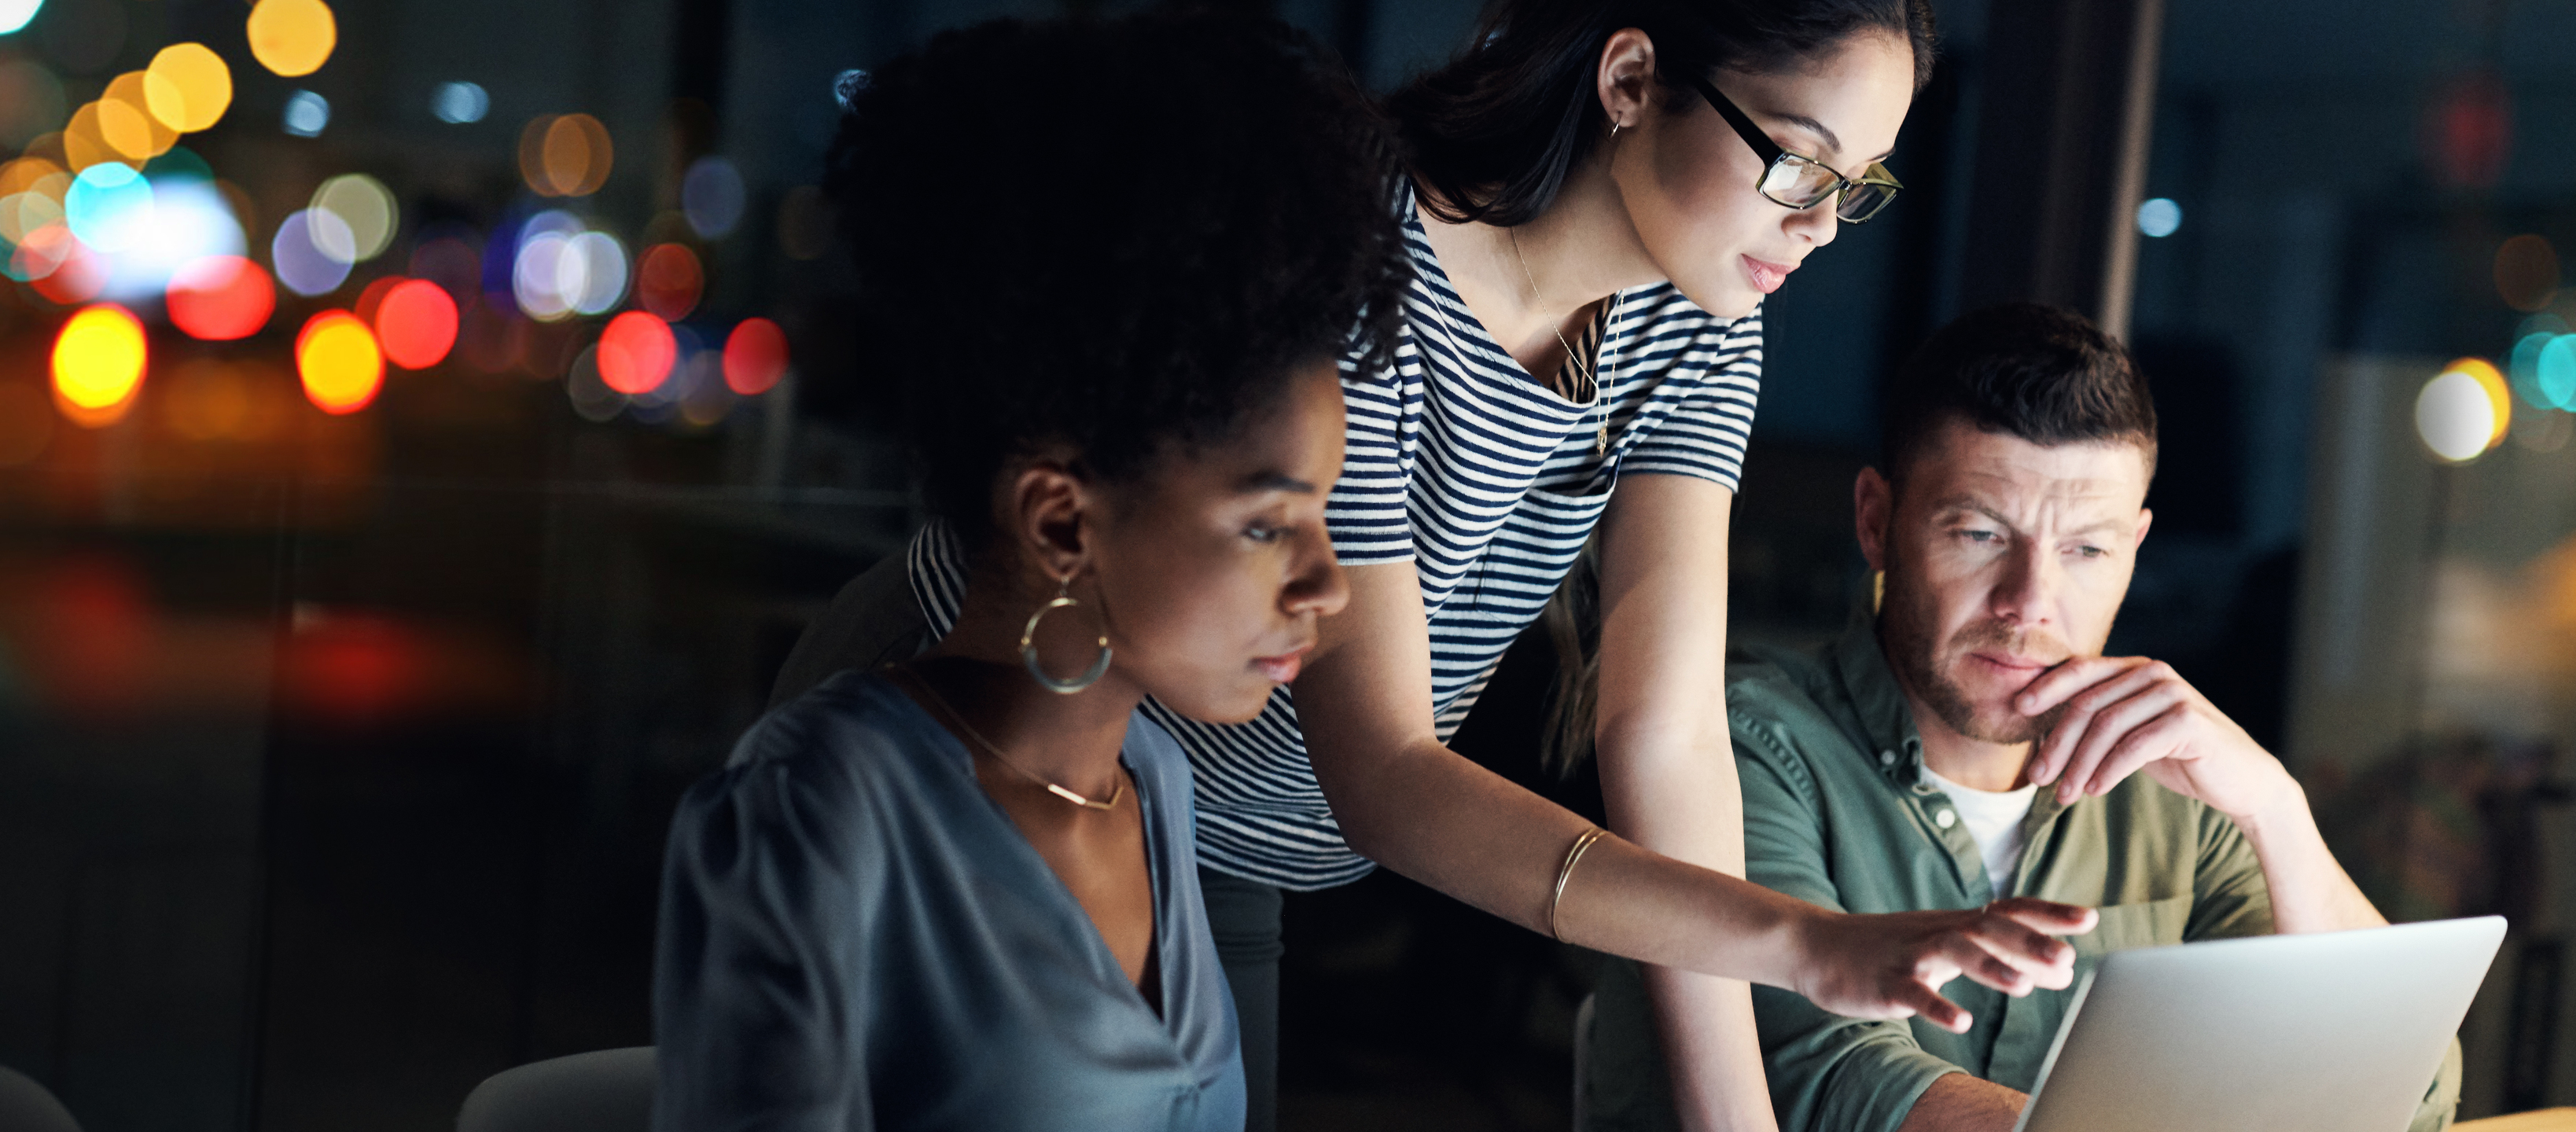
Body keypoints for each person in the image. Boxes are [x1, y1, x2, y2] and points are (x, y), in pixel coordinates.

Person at [768, 4, 2082, 1130]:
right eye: (1800, 165)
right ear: (1632, 80)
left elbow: (1667, 737)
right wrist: (1806, 942)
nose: (1826, 226)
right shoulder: (1355, 258)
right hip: (1003, 741)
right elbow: (1384, 771)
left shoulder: (1701, 326)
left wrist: (1729, 1117)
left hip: (1228, 840)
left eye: (1862, 186)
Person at [650, 13, 1405, 1128]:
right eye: (1265, 527)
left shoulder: (1154, 782)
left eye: (1325, 518)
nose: (1329, 588)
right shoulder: (816, 815)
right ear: (1061, 525)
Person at [1581, 303, 2463, 1131]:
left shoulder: (2181, 792)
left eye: (2085, 550)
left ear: (2134, 552)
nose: (2029, 603)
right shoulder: (1738, 744)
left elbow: (2414, 1093)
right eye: (1979, 534)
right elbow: (1822, 1076)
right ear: (1877, 521)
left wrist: (2276, 809)